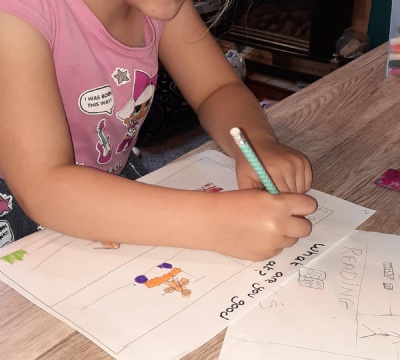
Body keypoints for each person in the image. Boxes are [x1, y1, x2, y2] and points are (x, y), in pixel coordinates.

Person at [0, 0, 316, 261]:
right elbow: (44, 187)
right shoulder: (15, 15)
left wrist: (256, 143)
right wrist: (215, 222)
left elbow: (217, 89)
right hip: (16, 211)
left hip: (108, 181)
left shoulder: (162, 5)